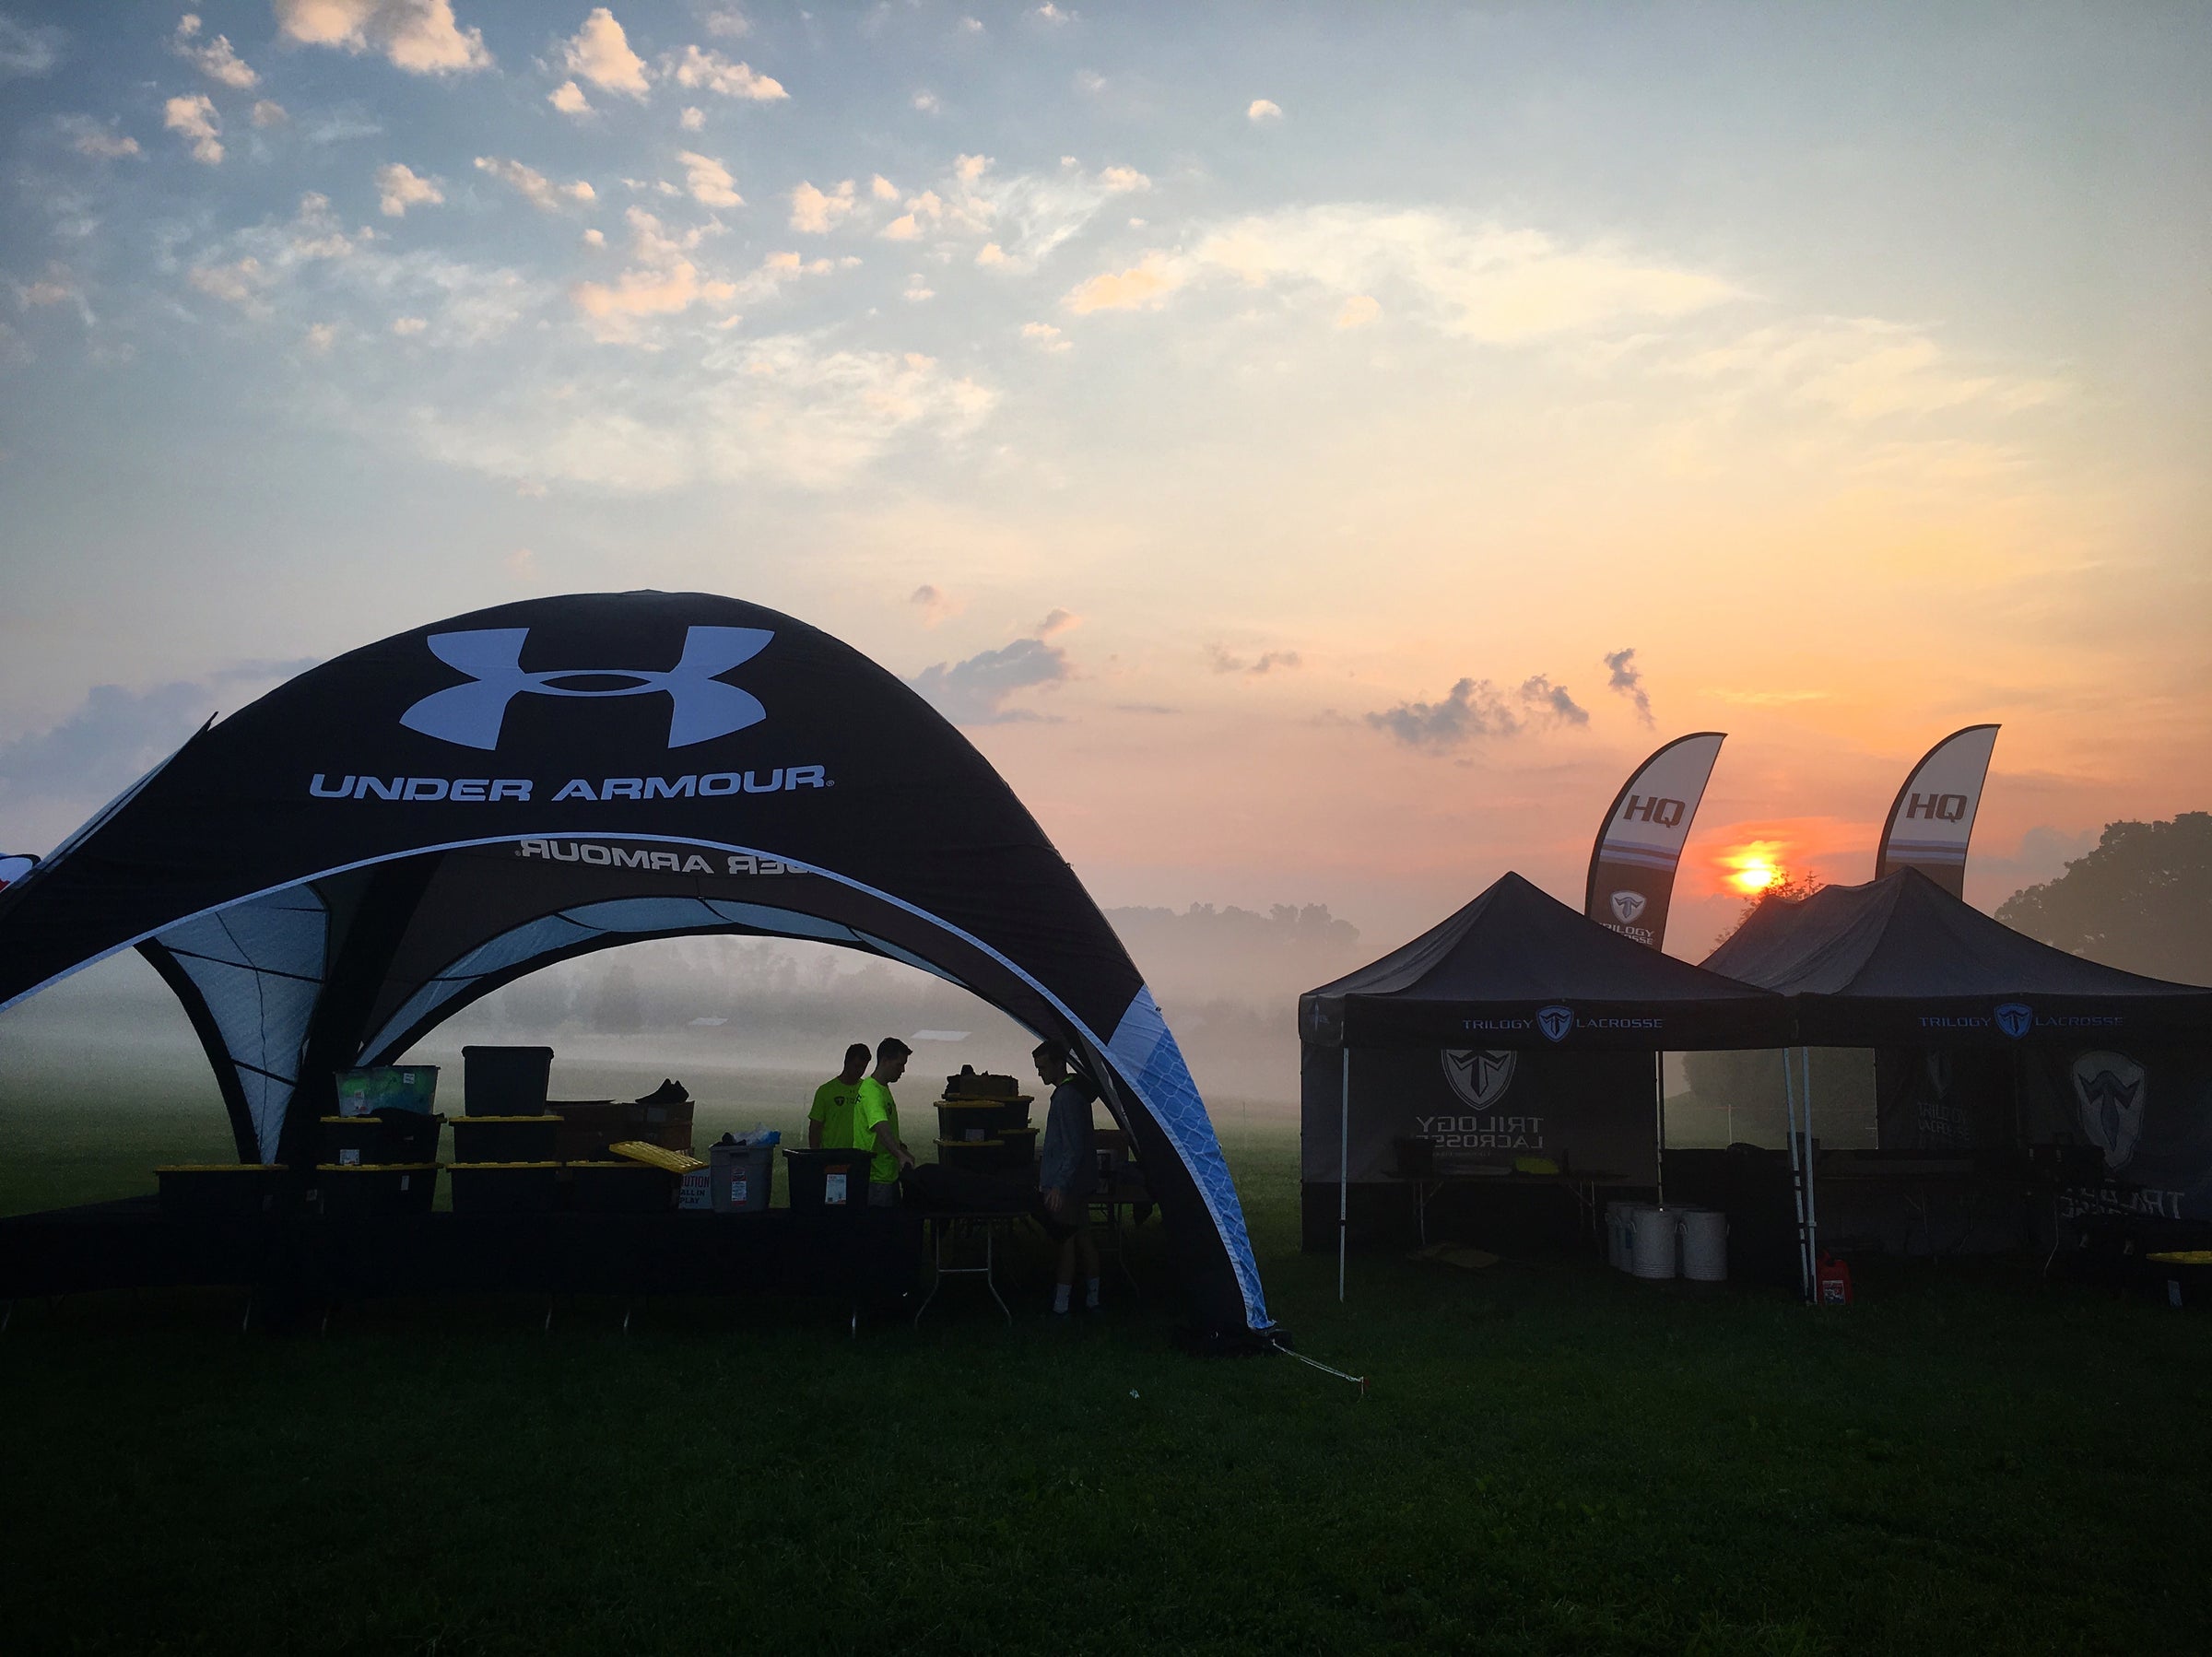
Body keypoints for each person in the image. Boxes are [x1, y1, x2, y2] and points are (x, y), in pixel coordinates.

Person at [1032, 1038, 1100, 1315]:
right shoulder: (1072, 1094)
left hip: (1068, 1186)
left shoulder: (1067, 1098)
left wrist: (1058, 1186)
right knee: (1083, 1238)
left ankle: (1061, 1304)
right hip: (1077, 1183)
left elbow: (1072, 1148)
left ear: (1060, 1064)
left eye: (1044, 1067)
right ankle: (1093, 1299)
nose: (1040, 1073)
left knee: (1067, 1242)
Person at [853, 1037, 915, 1205]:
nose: (903, 1070)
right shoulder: (872, 1091)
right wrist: (900, 1155)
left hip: (888, 1174)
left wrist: (901, 1147)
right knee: (880, 1228)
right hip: (876, 1178)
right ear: (885, 1061)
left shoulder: (882, 1088)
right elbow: (880, 1126)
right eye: (900, 1064)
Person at [807, 1043, 871, 1149]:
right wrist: (815, 1157)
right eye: (856, 1066)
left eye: (863, 1067)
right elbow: (815, 1127)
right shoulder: (826, 1091)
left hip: (860, 1156)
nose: (860, 1071)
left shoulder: (867, 1090)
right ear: (846, 1062)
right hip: (832, 1156)